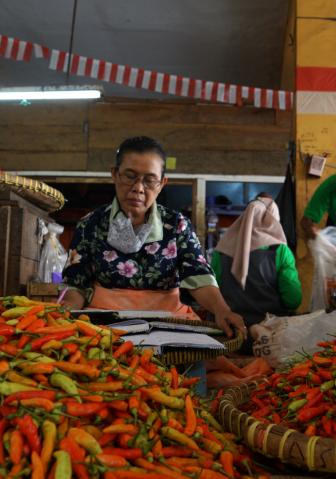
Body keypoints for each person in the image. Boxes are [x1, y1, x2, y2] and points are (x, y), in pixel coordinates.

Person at [60, 136, 246, 337]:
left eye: (149, 180)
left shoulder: (176, 225)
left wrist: (221, 310)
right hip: (105, 326)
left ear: (162, 183)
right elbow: (76, 285)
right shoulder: (90, 224)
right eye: (129, 176)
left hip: (168, 323)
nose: (138, 188)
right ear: (114, 174)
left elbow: (198, 276)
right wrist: (65, 311)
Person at [211, 194, 302, 328]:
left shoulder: (221, 251)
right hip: (271, 332)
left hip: (230, 331)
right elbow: (293, 300)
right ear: (273, 219)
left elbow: (212, 293)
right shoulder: (281, 251)